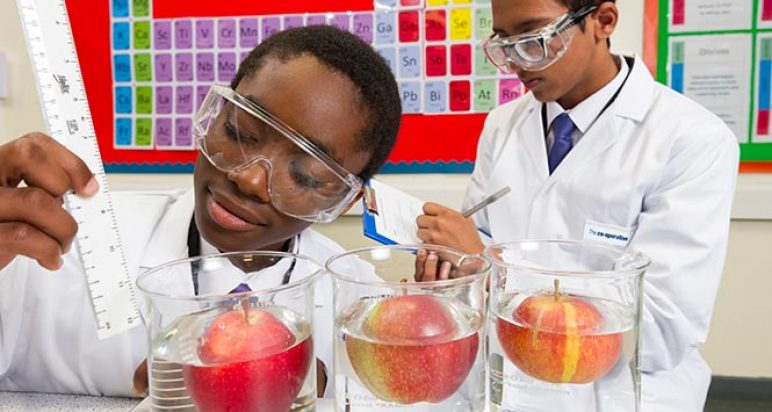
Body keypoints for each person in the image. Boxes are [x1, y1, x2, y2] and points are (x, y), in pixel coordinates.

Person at [0, 25, 401, 398]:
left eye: (304, 174)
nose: (250, 180)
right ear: (214, 115)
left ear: (342, 201)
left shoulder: (359, 301)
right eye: (239, 132)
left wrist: (328, 385)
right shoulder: (59, 241)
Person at [415, 1, 739, 411]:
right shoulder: (501, 125)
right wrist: (450, 276)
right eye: (504, 43)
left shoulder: (692, 140)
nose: (517, 62)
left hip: (622, 397)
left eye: (535, 39)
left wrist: (485, 269)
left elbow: (660, 332)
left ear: (603, 21)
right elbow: (480, 247)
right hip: (508, 384)